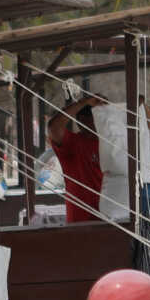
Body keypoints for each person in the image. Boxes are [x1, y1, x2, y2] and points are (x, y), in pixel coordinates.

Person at [48, 94, 108, 223]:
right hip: (80, 221)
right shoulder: (73, 143)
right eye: (98, 116)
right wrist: (83, 102)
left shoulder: (113, 143)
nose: (105, 120)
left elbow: (149, 126)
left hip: (111, 218)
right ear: (82, 120)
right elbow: (54, 127)